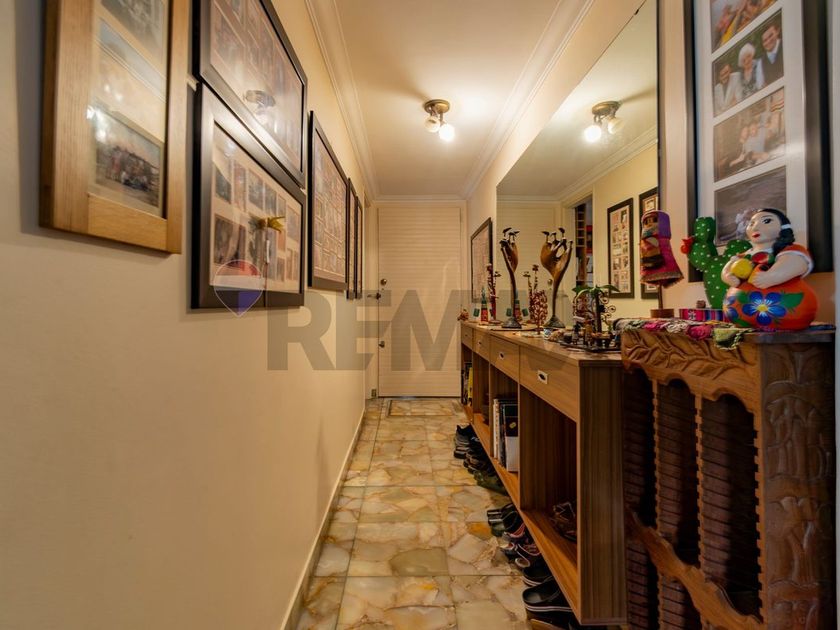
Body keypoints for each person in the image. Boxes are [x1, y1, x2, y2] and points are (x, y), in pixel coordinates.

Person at [721, 208, 817, 329]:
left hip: (788, 319)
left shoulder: (790, 250)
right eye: (751, 223)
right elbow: (728, 267)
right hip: (741, 320)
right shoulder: (745, 255)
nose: (755, 227)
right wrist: (728, 276)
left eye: (766, 221)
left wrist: (771, 276)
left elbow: (797, 263)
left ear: (783, 227)